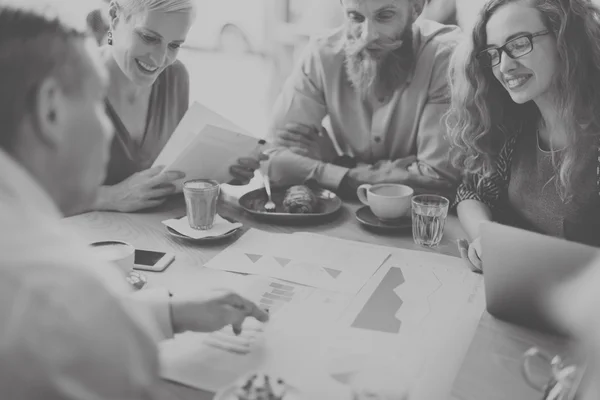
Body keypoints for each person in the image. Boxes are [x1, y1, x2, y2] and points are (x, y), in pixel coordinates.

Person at [0, 3, 268, 398]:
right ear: (50, 109)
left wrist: (171, 313)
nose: (109, 130)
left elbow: (80, 320)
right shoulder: (52, 287)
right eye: (95, 102)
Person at [447, 0, 600, 271]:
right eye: (493, 54)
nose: (504, 67)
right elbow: (472, 192)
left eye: (518, 44)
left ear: (566, 39)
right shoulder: (516, 125)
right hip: (520, 291)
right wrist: (484, 238)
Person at [266, 0, 461, 198]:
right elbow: (272, 160)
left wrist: (337, 163)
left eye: (384, 16)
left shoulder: (445, 57)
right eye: (356, 17)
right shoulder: (321, 55)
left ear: (416, 8)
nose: (368, 36)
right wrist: (354, 177)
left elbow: (436, 183)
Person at [91, 0, 264, 213]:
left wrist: (221, 171)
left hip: (160, 234)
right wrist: (110, 197)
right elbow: (39, 195)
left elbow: (173, 168)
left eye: (174, 45)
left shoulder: (175, 77)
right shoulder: (70, 81)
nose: (161, 59)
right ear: (115, 16)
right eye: (148, 37)